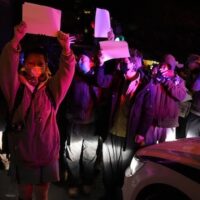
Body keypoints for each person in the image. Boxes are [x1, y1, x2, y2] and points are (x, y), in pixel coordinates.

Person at [0, 21, 75, 200]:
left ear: (46, 65)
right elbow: (7, 67)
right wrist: (15, 41)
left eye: (39, 63)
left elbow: (66, 73)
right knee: (25, 195)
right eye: (31, 62)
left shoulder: (51, 89)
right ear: (24, 64)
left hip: (47, 154)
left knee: (43, 195)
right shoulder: (16, 88)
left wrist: (66, 50)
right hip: (23, 153)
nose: (35, 66)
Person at [100, 49, 154, 200]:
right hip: (112, 131)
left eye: (125, 61)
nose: (122, 63)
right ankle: (108, 195)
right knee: (108, 168)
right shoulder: (118, 79)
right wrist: (100, 64)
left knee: (122, 170)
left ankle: (119, 196)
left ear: (134, 64)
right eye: (121, 60)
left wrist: (141, 132)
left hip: (128, 134)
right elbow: (100, 81)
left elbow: (148, 112)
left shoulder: (146, 85)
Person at [60, 51, 101, 197]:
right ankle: (74, 183)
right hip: (75, 123)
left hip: (91, 124)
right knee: (72, 156)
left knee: (90, 156)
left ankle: (87, 182)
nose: (80, 61)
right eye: (79, 59)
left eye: (83, 59)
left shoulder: (97, 78)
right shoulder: (73, 77)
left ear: (90, 62)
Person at [185, 54, 200, 138]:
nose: (188, 66)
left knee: (191, 140)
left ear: (195, 62)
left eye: (189, 63)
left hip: (197, 113)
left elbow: (195, 88)